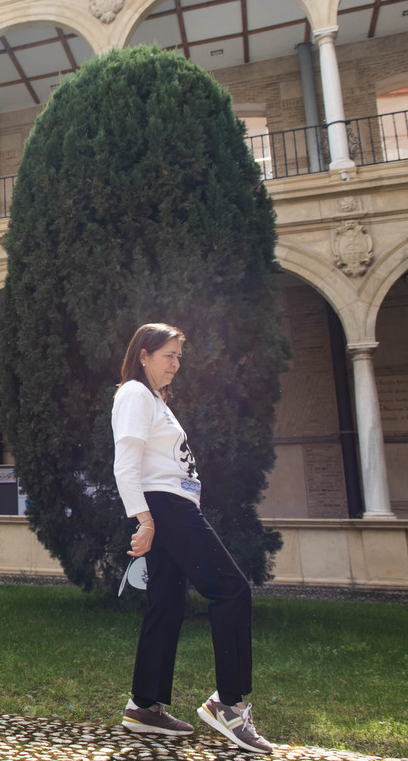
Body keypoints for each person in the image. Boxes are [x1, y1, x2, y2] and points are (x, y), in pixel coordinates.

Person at [112, 323, 271, 754]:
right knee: (232, 590)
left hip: (172, 507)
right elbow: (125, 465)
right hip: (165, 508)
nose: (176, 364)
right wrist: (145, 520)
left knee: (166, 604)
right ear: (143, 355)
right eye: (169, 355)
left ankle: (144, 706)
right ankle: (229, 706)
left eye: (179, 357)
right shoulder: (133, 395)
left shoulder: (155, 400)